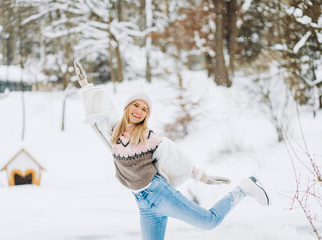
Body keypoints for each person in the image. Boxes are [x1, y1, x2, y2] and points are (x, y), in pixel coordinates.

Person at [80, 81, 270, 240]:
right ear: (128, 107)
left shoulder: (149, 137)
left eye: (144, 109)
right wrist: (86, 86)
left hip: (159, 193)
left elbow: (177, 157)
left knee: (208, 221)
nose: (139, 111)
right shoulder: (114, 131)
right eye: (136, 105)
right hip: (143, 202)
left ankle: (244, 189)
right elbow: (100, 110)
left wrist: (202, 176)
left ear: (147, 115)